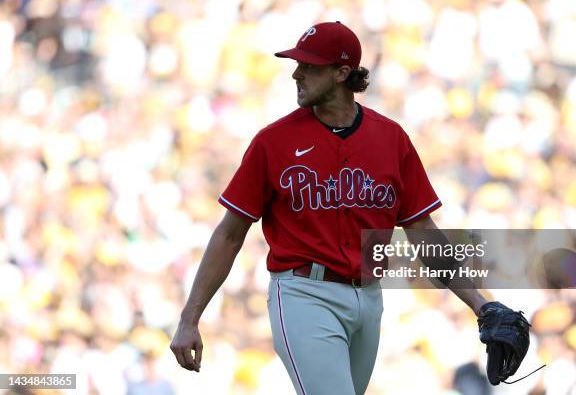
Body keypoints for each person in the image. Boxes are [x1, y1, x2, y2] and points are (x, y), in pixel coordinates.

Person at [170, 21, 490, 394]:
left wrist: (480, 305)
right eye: (298, 64)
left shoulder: (391, 138)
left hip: (369, 296)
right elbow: (229, 233)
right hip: (304, 293)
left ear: (341, 73)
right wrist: (190, 319)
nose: (296, 73)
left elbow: (423, 231)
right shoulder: (272, 142)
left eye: (308, 66)